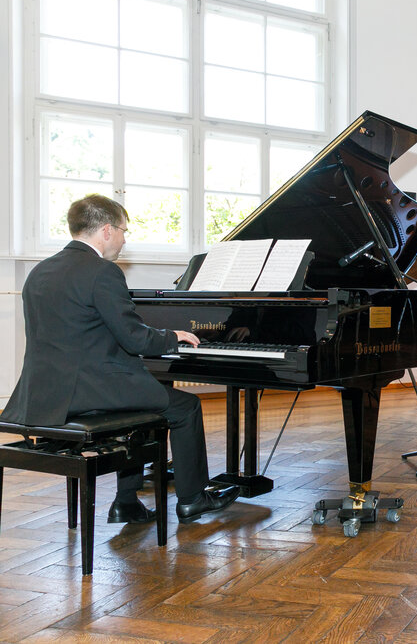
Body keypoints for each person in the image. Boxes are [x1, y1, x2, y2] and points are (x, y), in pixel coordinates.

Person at [2, 195, 240, 524]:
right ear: (107, 230)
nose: (125, 240)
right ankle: (192, 499)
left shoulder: (40, 272)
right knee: (185, 407)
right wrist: (172, 337)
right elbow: (133, 337)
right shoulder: (102, 272)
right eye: (124, 231)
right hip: (91, 391)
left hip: (42, 394)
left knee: (142, 405)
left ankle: (126, 502)